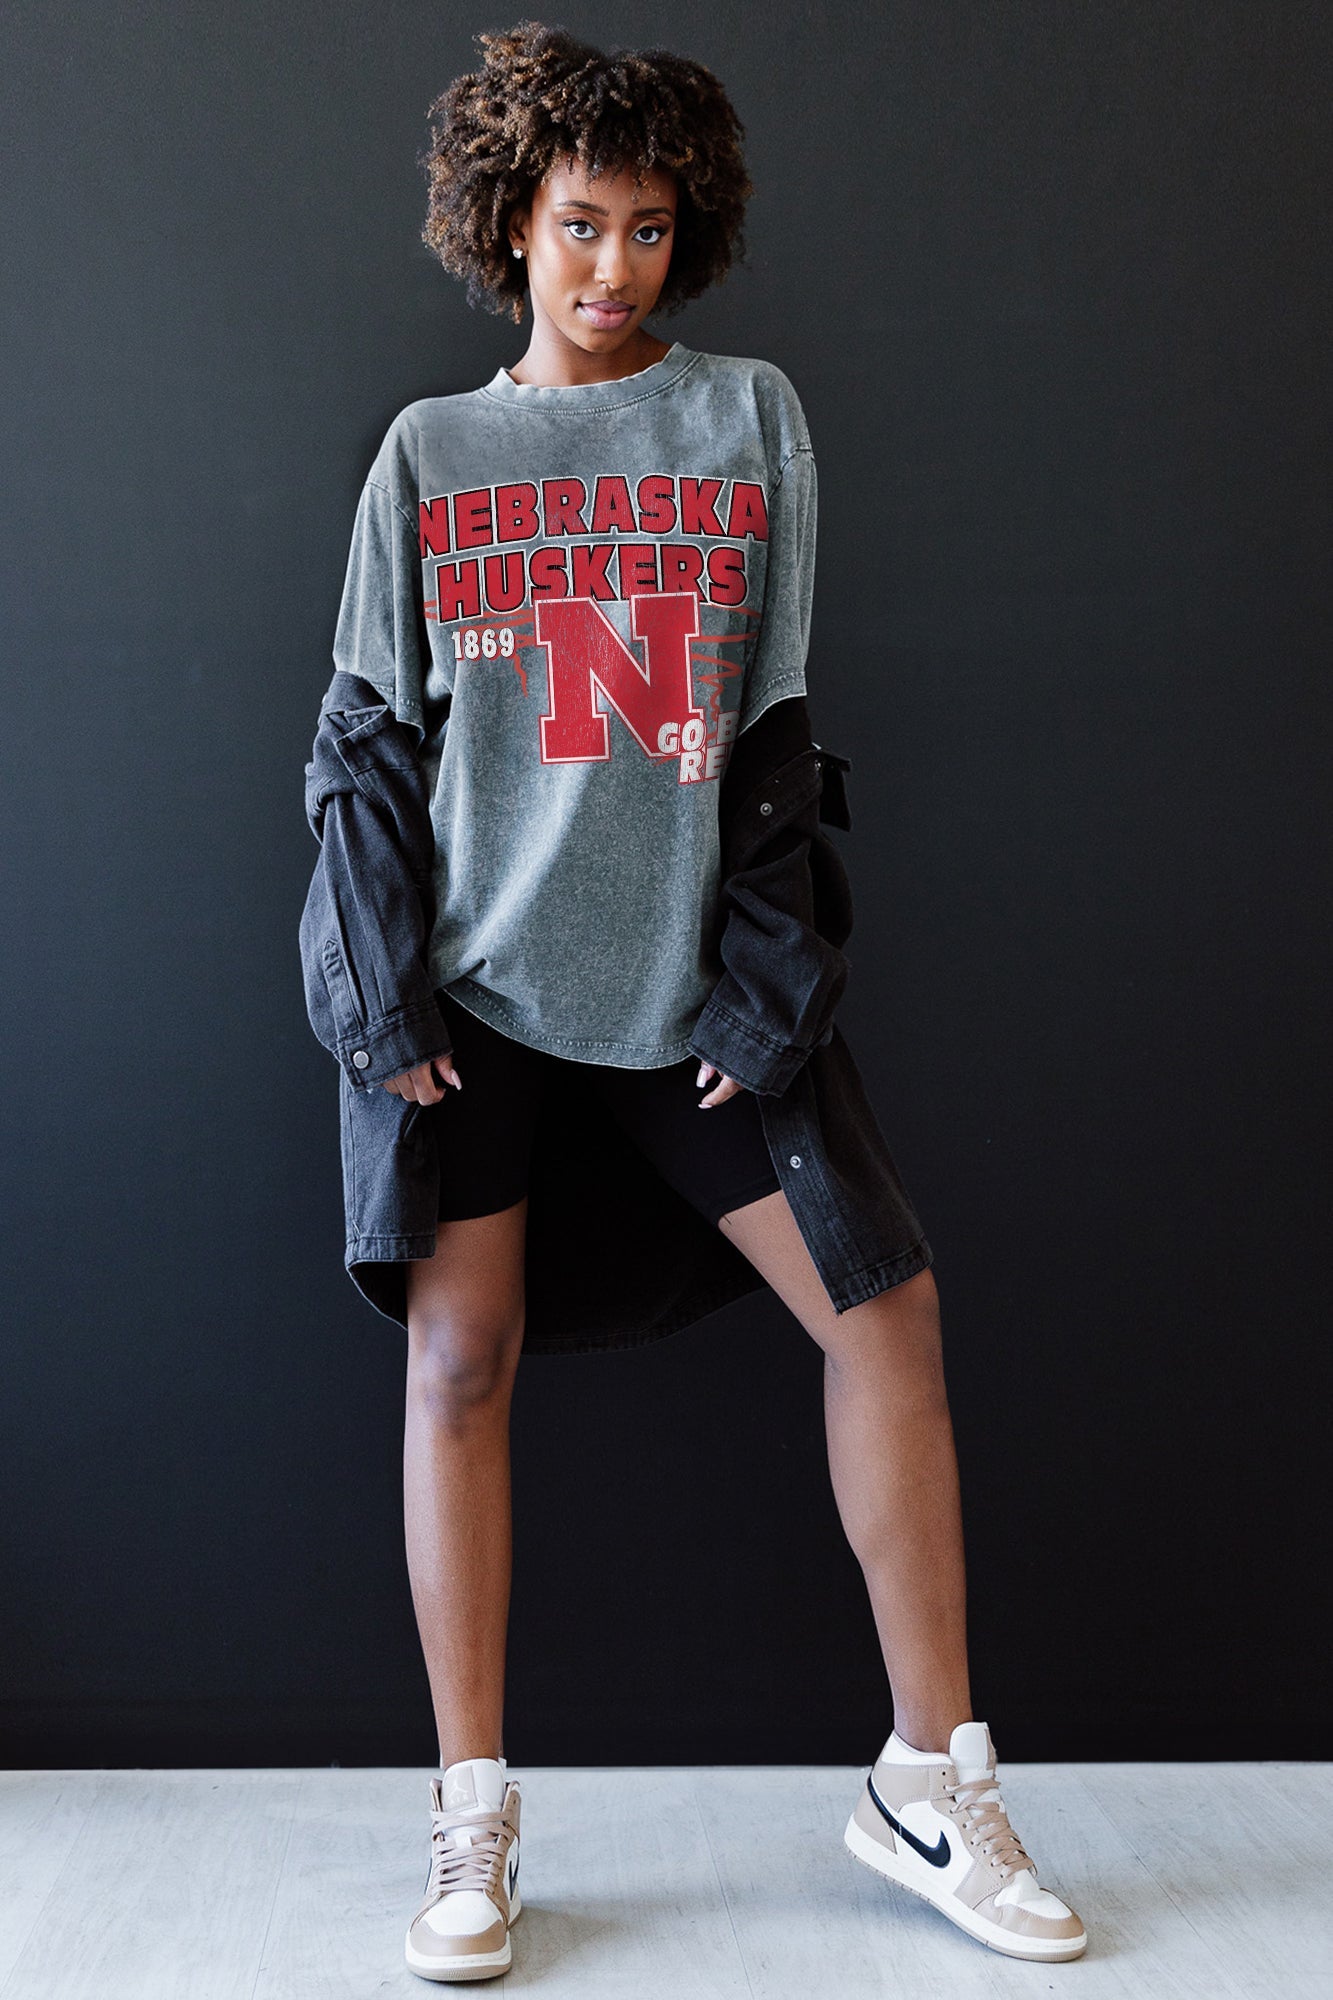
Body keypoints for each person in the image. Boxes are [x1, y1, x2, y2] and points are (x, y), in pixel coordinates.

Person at [298, 20, 1087, 1981]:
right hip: (476, 989)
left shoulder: (746, 418)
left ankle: (932, 1776)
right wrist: (380, 997)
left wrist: (766, 974)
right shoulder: (430, 453)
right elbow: (364, 750)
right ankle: (471, 1814)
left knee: (885, 1311)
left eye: (648, 230)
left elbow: (775, 724)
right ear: (513, 218)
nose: (612, 267)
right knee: (456, 1365)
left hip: (690, 989)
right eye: (581, 223)